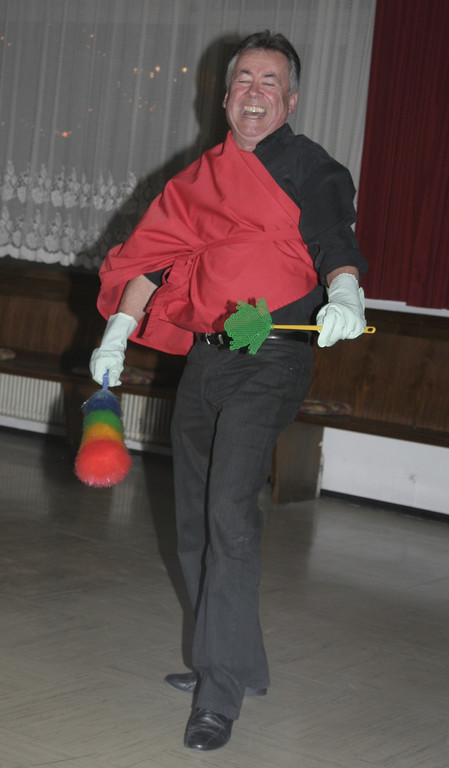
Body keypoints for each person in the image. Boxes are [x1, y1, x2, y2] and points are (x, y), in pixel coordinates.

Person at [90, 30, 368, 751]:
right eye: (243, 79)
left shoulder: (312, 168)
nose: (254, 91)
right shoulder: (198, 180)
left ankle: (218, 692)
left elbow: (333, 235)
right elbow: (151, 259)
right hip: (208, 360)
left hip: (272, 358)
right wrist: (117, 333)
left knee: (228, 512)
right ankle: (241, 662)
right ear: (222, 98)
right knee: (191, 517)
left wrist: (345, 289)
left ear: (290, 100)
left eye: (269, 81)